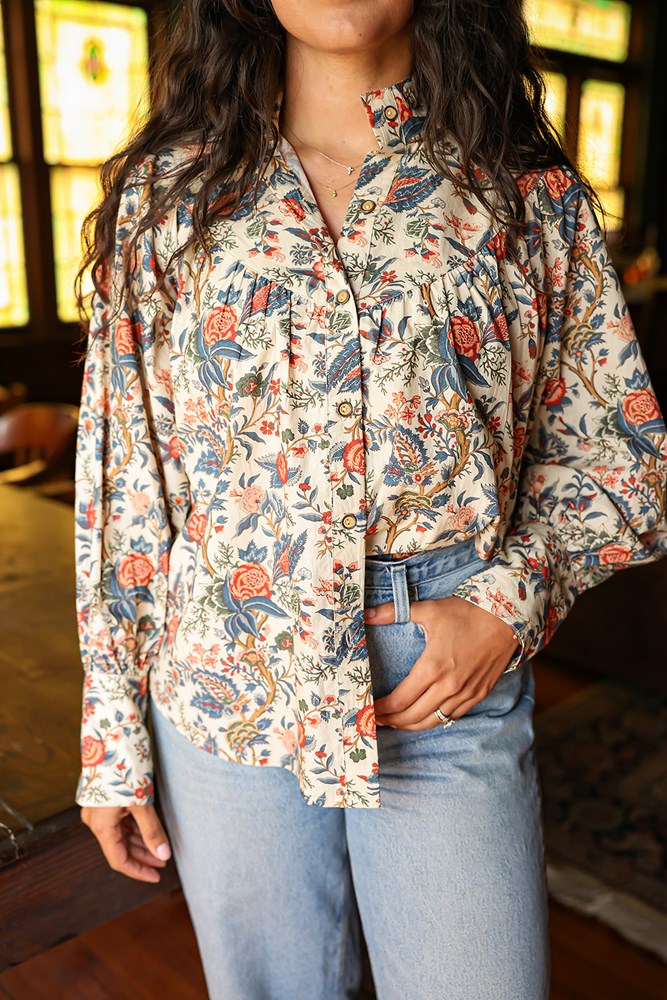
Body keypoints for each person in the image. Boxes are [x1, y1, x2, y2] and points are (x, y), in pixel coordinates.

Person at [72, 1, 667, 997]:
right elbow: (120, 483)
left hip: (445, 675)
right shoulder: (169, 197)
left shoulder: (524, 195)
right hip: (229, 676)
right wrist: (111, 742)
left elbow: (622, 451)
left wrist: (506, 601)